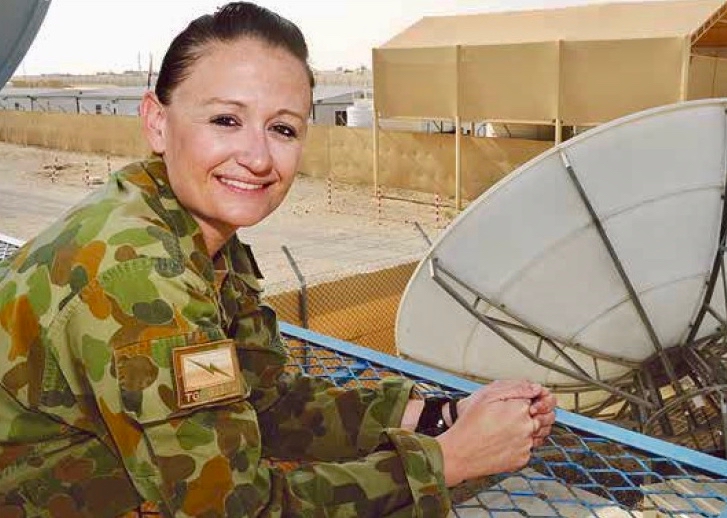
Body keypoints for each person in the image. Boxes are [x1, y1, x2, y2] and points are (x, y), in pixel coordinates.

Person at [0, 3, 556, 517]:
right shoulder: (139, 275)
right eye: (225, 120)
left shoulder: (189, 227)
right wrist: (452, 460)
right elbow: (234, 508)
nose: (258, 157)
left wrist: (443, 417)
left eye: (283, 128)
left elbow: (266, 400)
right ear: (157, 122)